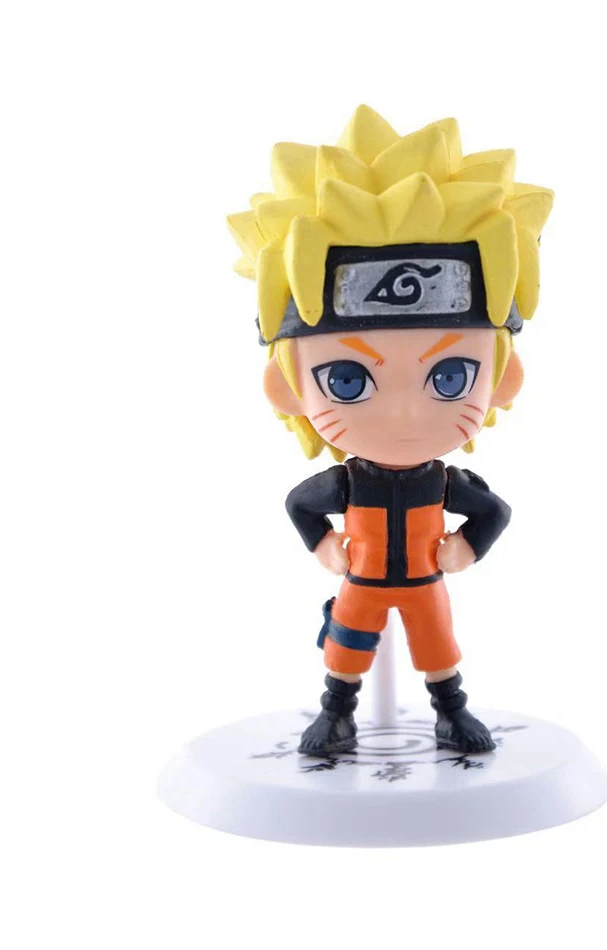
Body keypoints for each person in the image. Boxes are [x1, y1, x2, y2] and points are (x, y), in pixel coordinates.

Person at [228, 106, 552, 756]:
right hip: (361, 582)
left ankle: (451, 714)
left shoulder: (446, 480)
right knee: (347, 648)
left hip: (426, 582)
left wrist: (468, 547)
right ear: (287, 388)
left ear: (504, 377)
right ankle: (336, 715)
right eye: (348, 380)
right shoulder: (347, 482)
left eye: (450, 377)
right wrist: (324, 546)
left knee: (438, 647)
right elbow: (299, 505)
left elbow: (493, 511)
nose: (404, 415)